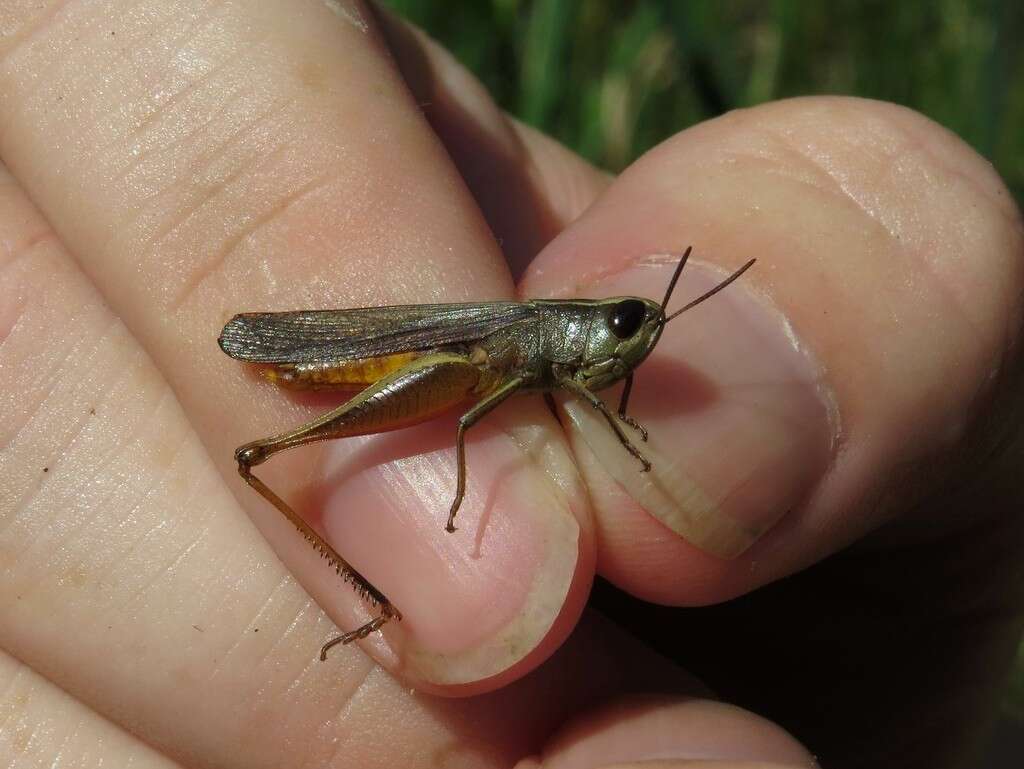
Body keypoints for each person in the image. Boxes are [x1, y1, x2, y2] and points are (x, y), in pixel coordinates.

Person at [0, 3, 1020, 768]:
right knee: (270, 450)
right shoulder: (540, 334)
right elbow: (484, 408)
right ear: (592, 319)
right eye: (627, 323)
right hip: (381, 355)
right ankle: (366, 593)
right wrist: (462, 477)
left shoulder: (578, 361)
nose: (632, 345)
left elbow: (557, 391)